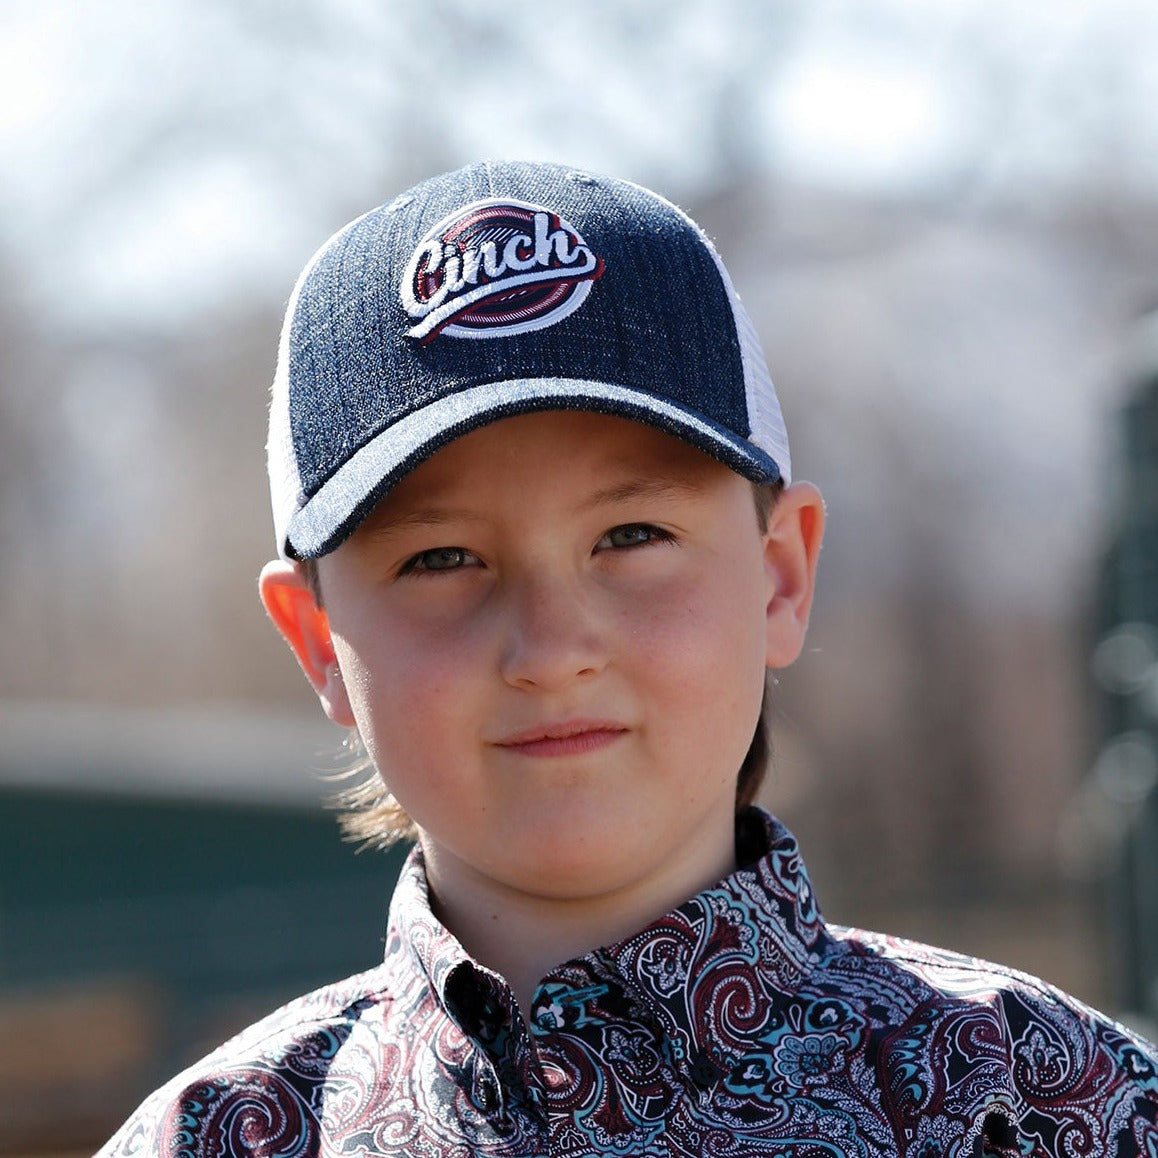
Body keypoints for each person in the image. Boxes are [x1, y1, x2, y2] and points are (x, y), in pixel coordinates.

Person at [98, 161, 1158, 1157]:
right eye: (442, 558)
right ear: (317, 641)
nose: (552, 649)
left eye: (631, 538)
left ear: (781, 576)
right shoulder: (218, 1138)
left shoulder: (1048, 1105)